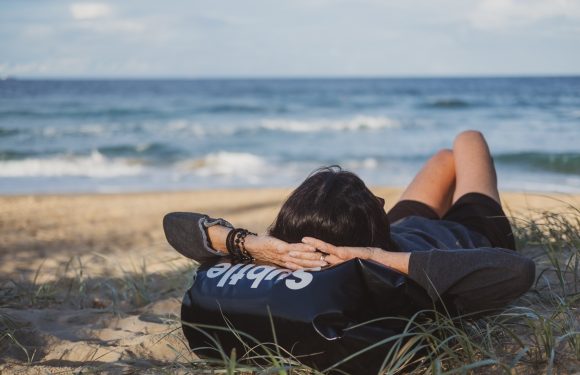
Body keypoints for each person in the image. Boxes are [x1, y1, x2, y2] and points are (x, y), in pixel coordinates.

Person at [164, 130, 535, 314]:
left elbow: (175, 224)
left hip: (400, 229)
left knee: (443, 158)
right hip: (467, 230)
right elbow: (518, 270)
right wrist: (377, 255)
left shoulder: (287, 256)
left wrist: (255, 245)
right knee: (468, 139)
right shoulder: (392, 274)